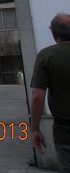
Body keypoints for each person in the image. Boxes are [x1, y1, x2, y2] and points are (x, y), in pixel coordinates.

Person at [30, 13, 70, 172]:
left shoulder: (46, 56)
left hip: (65, 132)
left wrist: (35, 128)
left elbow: (38, 96)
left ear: (54, 33)